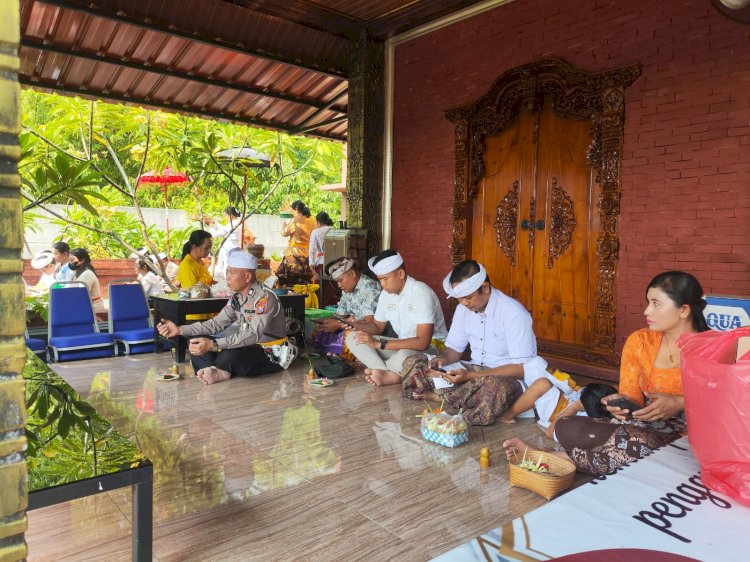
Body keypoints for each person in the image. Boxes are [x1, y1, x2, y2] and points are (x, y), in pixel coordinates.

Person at [503, 270, 709, 475]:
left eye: (656, 304)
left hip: (688, 441)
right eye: (648, 303)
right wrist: (620, 407)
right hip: (640, 427)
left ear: (683, 310)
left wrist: (680, 402)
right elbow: (631, 399)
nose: (647, 311)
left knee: (639, 444)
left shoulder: (715, 348)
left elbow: (729, 406)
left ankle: (553, 458)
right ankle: (608, 452)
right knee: (566, 425)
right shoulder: (640, 341)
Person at [401, 259, 537, 425]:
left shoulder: (514, 313)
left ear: (485, 288)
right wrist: (442, 360)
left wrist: (472, 376)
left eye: (468, 297)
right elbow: (454, 350)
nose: (464, 303)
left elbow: (521, 368)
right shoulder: (462, 309)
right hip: (471, 373)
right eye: (459, 298)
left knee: (496, 389)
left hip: (503, 377)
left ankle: (441, 397)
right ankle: (457, 399)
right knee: (414, 362)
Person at [156, 249, 295, 385]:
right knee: (196, 343)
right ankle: (215, 370)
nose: (227, 277)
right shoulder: (237, 297)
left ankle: (218, 370)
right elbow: (216, 324)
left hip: (270, 352)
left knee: (229, 354)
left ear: (247, 277)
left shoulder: (265, 297)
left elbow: (253, 334)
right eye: (227, 272)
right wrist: (179, 330)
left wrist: (214, 344)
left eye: (232, 273)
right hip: (247, 347)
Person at [346, 250, 448, 387]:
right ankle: (386, 372)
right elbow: (377, 326)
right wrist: (356, 325)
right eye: (379, 279)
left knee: (404, 356)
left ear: (400, 274)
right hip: (400, 344)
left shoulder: (421, 293)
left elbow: (422, 342)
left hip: (431, 348)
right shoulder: (386, 294)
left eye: (385, 279)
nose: (382, 284)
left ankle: (390, 374)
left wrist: (380, 345)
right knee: (353, 338)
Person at [312, 257, 382, 358]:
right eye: (337, 282)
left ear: (352, 274)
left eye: (340, 280)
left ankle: (339, 352)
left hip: (366, 331)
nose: (339, 285)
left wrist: (339, 325)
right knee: (317, 333)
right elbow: (339, 315)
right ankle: (336, 352)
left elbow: (370, 323)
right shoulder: (347, 290)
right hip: (349, 326)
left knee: (348, 338)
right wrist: (324, 323)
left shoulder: (370, 287)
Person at [276, 200, 316, 287]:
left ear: (297, 209)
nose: (292, 212)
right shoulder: (313, 220)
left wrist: (284, 224)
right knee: (305, 280)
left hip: (293, 254)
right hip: (307, 254)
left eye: (293, 210)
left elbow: (284, 233)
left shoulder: (295, 221)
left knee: (287, 279)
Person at [205, 206, 252, 280]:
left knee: (226, 271)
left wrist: (208, 225)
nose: (225, 217)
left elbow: (216, 234)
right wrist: (214, 223)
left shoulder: (233, 224)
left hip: (229, 251)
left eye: (226, 215)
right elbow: (224, 229)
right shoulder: (238, 223)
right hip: (234, 250)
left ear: (230, 215)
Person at [68, 248, 105, 314]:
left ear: (82, 260)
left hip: (93, 310)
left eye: (72, 259)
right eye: (69, 259)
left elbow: (81, 294)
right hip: (84, 307)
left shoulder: (87, 274)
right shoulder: (76, 274)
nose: (70, 262)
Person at [308, 211, 334, 283]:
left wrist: (311, 267)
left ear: (318, 222)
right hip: (335, 264)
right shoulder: (335, 230)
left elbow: (312, 250)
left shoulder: (316, 232)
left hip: (321, 263)